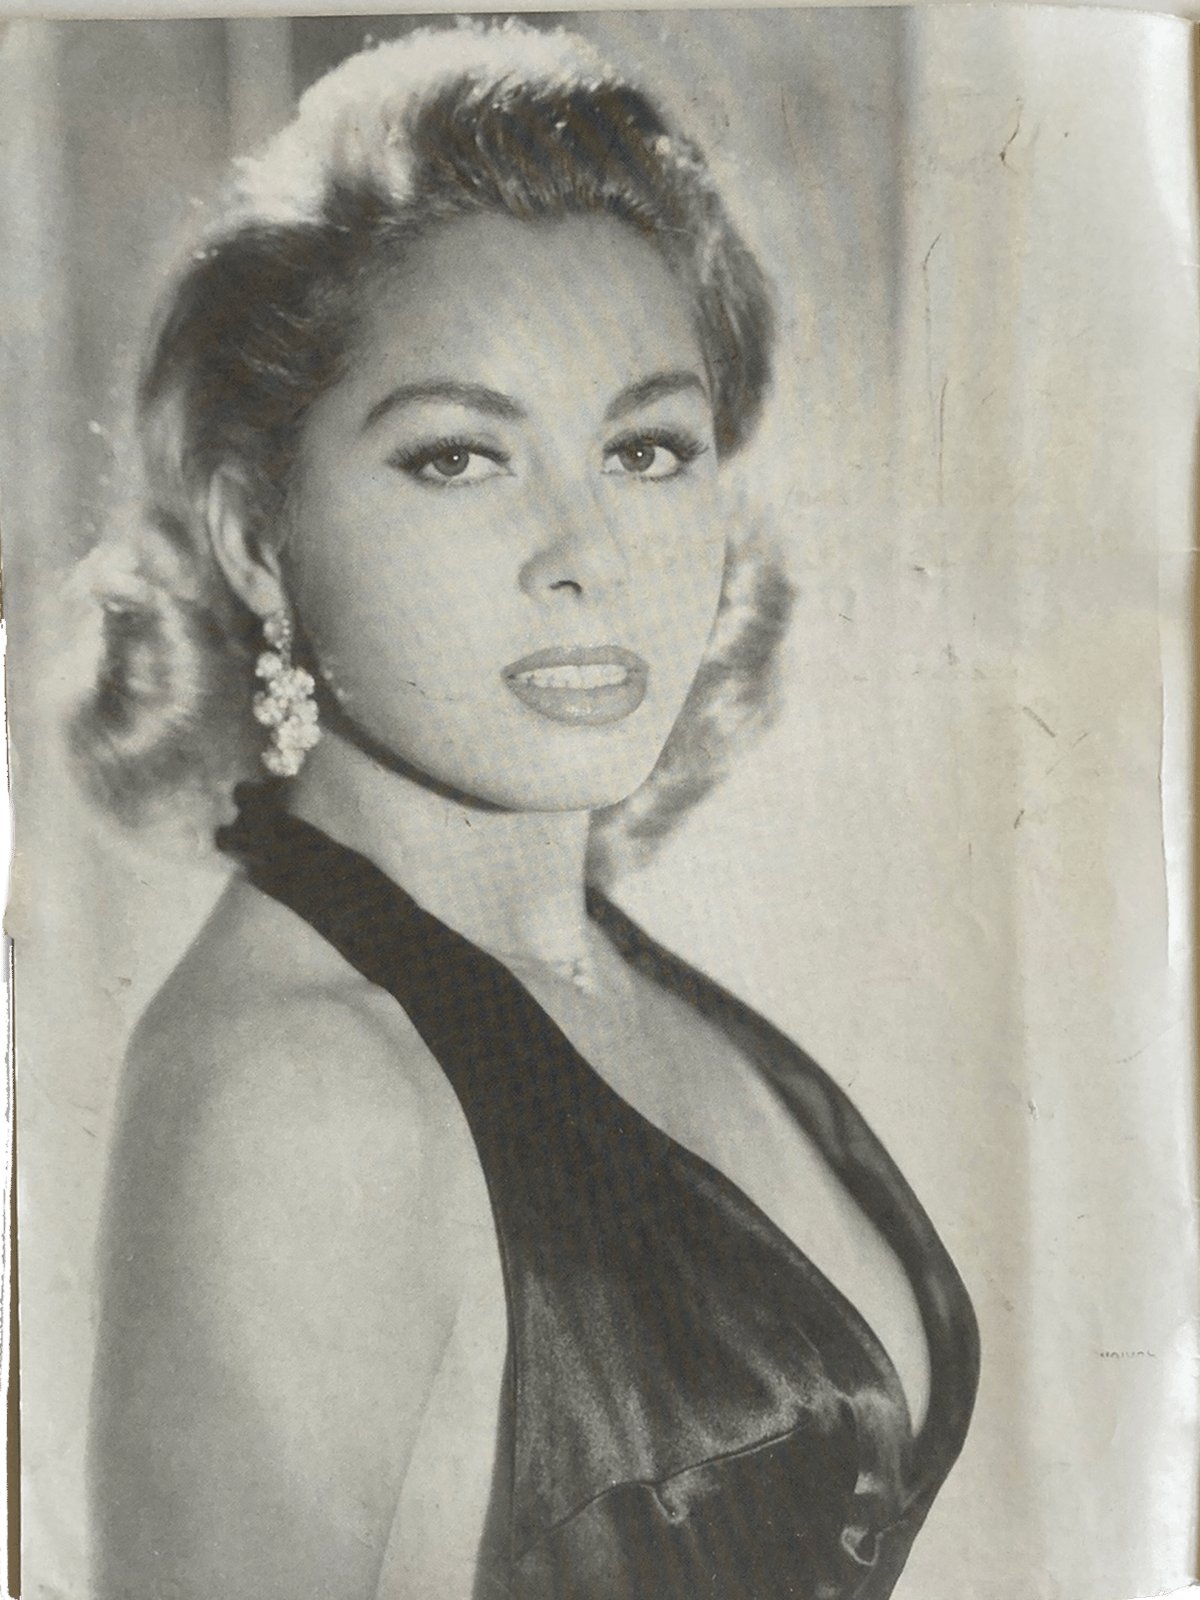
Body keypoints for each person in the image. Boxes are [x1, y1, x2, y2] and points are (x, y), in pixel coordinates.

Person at [74, 22, 979, 1600]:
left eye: (644, 447)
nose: (587, 552)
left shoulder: (585, 962)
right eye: (458, 458)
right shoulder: (300, 1098)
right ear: (257, 533)